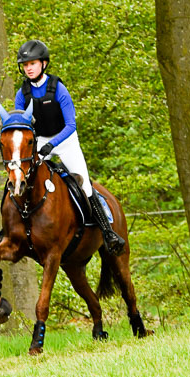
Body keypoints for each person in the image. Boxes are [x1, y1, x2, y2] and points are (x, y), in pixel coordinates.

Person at [15, 39, 125, 256]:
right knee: (21, 177)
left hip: (65, 140)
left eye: (33, 63)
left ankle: (108, 232)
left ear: (44, 64)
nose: (28, 68)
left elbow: (71, 125)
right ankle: (13, 228)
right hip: (40, 142)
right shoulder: (23, 94)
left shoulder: (58, 88)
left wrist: (52, 145)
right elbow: (21, 124)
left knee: (84, 185)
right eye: (25, 64)